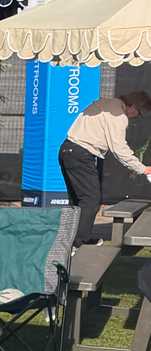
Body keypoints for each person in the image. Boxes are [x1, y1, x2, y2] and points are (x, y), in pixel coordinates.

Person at [59, 89, 151, 244]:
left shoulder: (106, 103)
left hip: (66, 150)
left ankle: (68, 241)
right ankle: (79, 243)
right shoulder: (118, 116)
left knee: (77, 200)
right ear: (133, 107)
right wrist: (143, 169)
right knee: (91, 199)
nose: (137, 117)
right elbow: (119, 149)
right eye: (139, 113)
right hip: (81, 155)